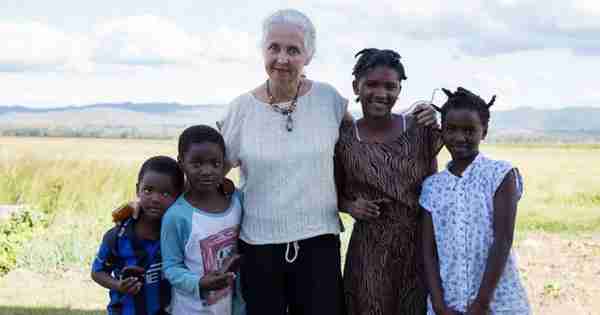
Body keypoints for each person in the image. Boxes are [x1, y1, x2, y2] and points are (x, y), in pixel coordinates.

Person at [219, 9, 438, 315]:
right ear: (263, 51)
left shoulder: (327, 100)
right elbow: (210, 171)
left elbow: (370, 132)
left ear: (308, 55)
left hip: (319, 246)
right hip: (259, 247)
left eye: (293, 50)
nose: (282, 58)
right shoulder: (240, 110)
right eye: (274, 48)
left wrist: (415, 112)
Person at [334, 48, 442, 315]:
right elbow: (332, 193)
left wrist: (435, 116)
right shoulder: (344, 139)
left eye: (390, 86)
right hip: (370, 251)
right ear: (355, 87)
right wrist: (350, 206)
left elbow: (462, 141)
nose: (381, 93)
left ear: (399, 91)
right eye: (371, 84)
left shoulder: (420, 129)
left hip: (420, 247)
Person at [420, 87, 531, 315]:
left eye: (469, 130)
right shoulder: (432, 186)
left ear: (485, 131)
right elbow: (428, 251)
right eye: (451, 129)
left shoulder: (500, 175)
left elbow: (502, 240)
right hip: (448, 302)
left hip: (497, 302)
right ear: (442, 131)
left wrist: (482, 303)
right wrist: (439, 305)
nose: (460, 137)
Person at [161, 125, 244, 315]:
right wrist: (199, 282)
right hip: (190, 309)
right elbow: (171, 267)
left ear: (224, 163)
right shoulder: (177, 217)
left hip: (232, 308)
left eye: (215, 164)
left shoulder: (237, 201)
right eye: (197, 164)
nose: (207, 171)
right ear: (181, 163)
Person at [91, 155, 185, 315]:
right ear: (137, 189)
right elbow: (97, 272)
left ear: (178, 195)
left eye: (165, 193)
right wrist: (118, 285)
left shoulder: (178, 234)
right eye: (148, 190)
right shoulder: (117, 236)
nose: (155, 199)